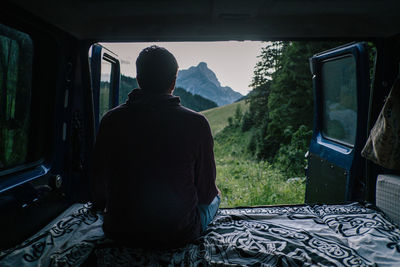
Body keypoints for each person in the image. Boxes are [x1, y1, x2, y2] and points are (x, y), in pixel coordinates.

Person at [92, 45, 220, 249]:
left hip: (119, 231)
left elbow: (98, 187)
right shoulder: (196, 123)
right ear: (174, 81)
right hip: (178, 234)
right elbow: (206, 194)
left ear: (139, 78)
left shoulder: (111, 120)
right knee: (216, 198)